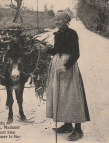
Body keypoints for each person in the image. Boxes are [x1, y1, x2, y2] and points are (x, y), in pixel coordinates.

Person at [38, 11, 90, 141]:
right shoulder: (58, 34)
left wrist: (66, 66)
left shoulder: (72, 34)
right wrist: (45, 49)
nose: (56, 22)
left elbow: (76, 54)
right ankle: (67, 125)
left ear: (66, 21)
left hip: (68, 67)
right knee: (61, 95)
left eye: (59, 20)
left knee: (72, 96)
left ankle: (78, 130)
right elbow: (56, 50)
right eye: (55, 20)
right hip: (57, 65)